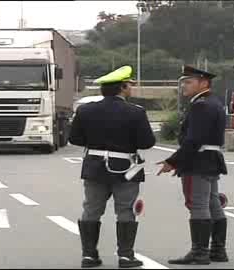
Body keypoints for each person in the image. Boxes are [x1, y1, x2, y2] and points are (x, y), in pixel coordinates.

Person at [69, 65, 156, 268]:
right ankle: (125, 256)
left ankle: (89, 256)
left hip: (95, 167)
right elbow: (147, 142)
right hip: (125, 167)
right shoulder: (136, 112)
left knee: (91, 209)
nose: (131, 89)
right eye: (129, 86)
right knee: (126, 210)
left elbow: (74, 139)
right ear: (123, 87)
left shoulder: (85, 110)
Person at [156, 65, 229, 265]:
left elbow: (193, 139)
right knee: (213, 203)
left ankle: (200, 252)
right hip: (211, 158)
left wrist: (173, 161)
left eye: (188, 82)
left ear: (204, 83)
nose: (183, 86)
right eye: (183, 82)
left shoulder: (201, 105)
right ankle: (217, 250)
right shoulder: (214, 102)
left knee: (198, 204)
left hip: (198, 160)